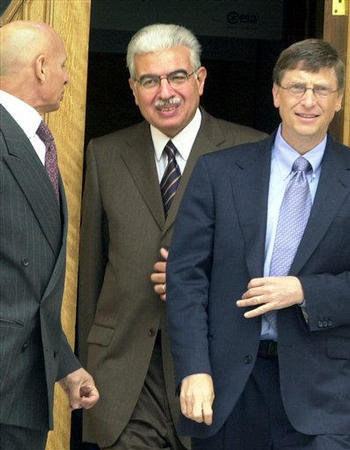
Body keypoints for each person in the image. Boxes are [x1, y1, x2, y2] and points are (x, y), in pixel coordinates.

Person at [77, 23, 266, 450]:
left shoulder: (252, 150)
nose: (165, 92)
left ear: (199, 79)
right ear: (133, 88)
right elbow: (90, 269)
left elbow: (271, 263)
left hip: (215, 369)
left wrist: (197, 277)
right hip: (125, 375)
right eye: (149, 80)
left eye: (177, 77)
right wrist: (82, 366)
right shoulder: (105, 154)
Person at [166, 38, 350, 450]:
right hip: (229, 389)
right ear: (275, 94)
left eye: (321, 89)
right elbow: (186, 277)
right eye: (296, 87)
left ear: (338, 100)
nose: (308, 100)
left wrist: (305, 291)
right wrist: (194, 369)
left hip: (327, 397)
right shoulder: (220, 172)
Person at [0, 21, 99, 450]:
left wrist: (66, 365)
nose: (67, 76)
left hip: (21, 392)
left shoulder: (34, 138)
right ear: (41, 67)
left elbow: (27, 281)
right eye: (62, 65)